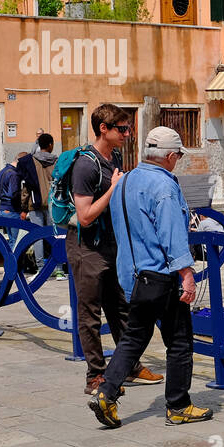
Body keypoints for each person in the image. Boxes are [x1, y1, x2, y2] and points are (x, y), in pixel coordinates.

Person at [87, 126, 213, 429]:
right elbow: (170, 234)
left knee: (133, 338)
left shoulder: (126, 180)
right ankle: (179, 405)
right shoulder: (164, 186)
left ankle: (106, 392)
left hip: (132, 274)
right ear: (169, 155)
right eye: (178, 155)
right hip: (161, 274)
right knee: (180, 341)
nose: (178, 160)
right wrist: (186, 273)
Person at [66, 104, 162, 394]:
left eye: (129, 128)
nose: (128, 133)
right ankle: (95, 375)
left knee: (120, 308)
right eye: (122, 129)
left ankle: (128, 366)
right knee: (89, 314)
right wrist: (114, 187)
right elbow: (84, 216)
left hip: (111, 244)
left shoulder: (115, 156)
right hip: (86, 246)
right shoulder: (85, 165)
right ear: (103, 129)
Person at [19, 133, 58, 274]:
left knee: (37, 236)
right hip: (53, 205)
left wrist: (23, 207)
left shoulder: (30, 161)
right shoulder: (56, 161)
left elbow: (26, 187)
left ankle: (41, 268)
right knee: (55, 234)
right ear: (50, 145)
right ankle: (58, 267)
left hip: (34, 203)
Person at [0, 152, 29, 252]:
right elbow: (14, 194)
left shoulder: (3, 171)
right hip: (12, 210)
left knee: (11, 241)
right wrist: (22, 209)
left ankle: (10, 264)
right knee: (17, 242)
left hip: (3, 209)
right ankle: (15, 266)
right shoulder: (14, 175)